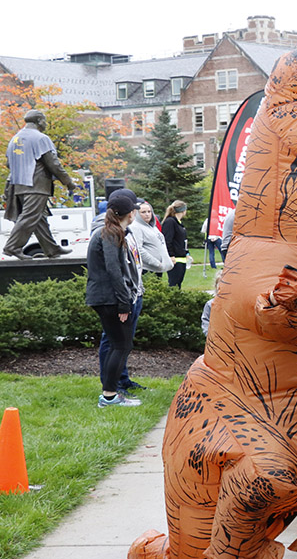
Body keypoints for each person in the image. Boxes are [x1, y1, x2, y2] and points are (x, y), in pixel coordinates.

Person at [86, 191, 142, 407]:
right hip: (109, 299)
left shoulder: (113, 232)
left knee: (120, 345)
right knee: (120, 345)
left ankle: (109, 394)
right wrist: (123, 302)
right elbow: (114, 270)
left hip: (107, 298)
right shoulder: (110, 234)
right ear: (130, 214)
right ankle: (109, 395)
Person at [3, 109, 75, 259]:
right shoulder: (41, 138)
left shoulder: (15, 139)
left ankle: (51, 249)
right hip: (36, 184)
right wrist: (68, 182)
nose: (46, 123)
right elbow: (53, 163)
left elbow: (9, 164)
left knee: (38, 218)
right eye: (45, 121)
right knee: (30, 217)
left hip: (19, 185)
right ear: (39, 121)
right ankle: (12, 247)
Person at [133, 201, 173, 275]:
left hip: (158, 268)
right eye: (143, 212)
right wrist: (156, 263)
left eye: (149, 211)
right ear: (137, 214)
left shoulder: (153, 227)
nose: (147, 214)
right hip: (147, 269)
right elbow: (138, 249)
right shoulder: (136, 227)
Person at [162, 200, 189, 288]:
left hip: (182, 257)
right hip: (175, 258)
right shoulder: (170, 222)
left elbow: (182, 241)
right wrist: (171, 255)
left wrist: (187, 253)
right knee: (174, 284)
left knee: (179, 283)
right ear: (183, 211)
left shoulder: (179, 224)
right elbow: (167, 240)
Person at [200, 271, 222, 337]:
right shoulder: (211, 304)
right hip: (215, 339)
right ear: (216, 286)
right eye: (220, 285)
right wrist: (209, 334)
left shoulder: (234, 305)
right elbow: (206, 321)